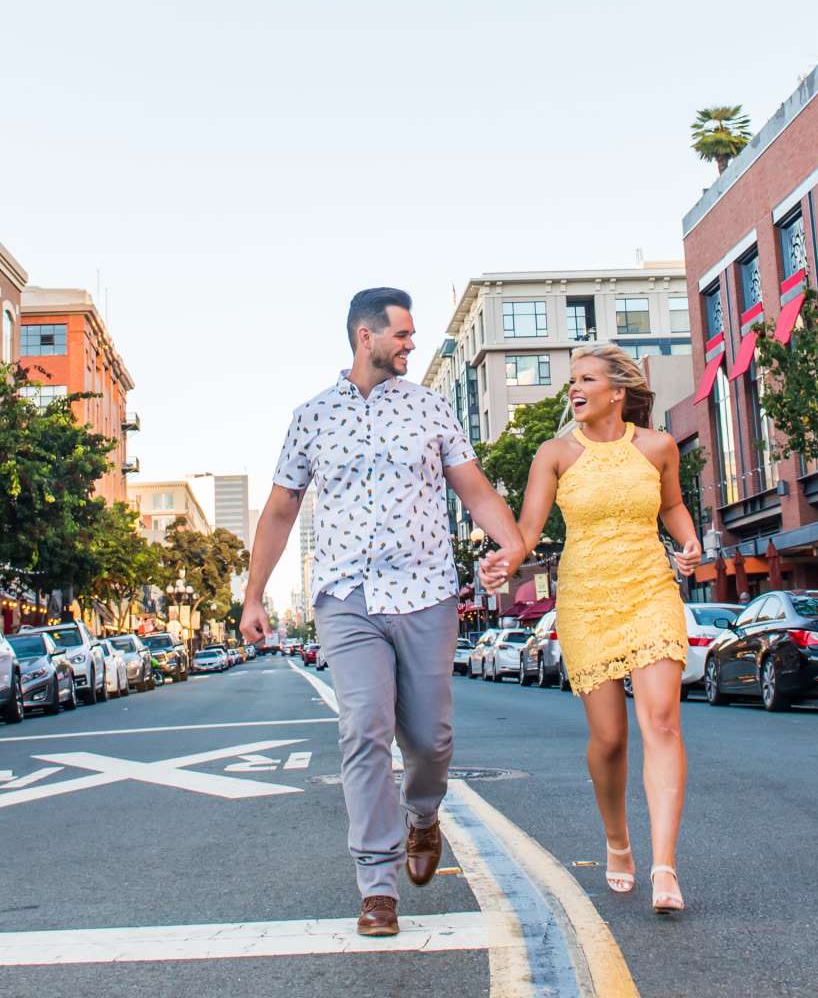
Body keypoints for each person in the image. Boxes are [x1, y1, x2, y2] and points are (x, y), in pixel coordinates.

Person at [241, 288, 524, 940]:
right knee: (363, 730)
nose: (411, 344)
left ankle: (423, 813)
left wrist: (510, 542)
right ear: (365, 336)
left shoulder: (430, 408)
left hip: (426, 591)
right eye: (402, 334)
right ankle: (377, 884)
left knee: (430, 741)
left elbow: (474, 487)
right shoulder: (311, 418)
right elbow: (281, 509)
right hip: (347, 599)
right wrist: (254, 595)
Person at [484, 346, 702, 915]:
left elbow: (673, 507)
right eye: (570, 381)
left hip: (650, 591)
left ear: (617, 392)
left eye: (585, 379)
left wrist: (690, 540)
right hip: (585, 600)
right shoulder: (553, 454)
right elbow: (528, 530)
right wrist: (505, 560)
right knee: (609, 739)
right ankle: (617, 841)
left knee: (660, 721)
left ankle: (664, 865)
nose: (573, 390)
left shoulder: (656, 448)